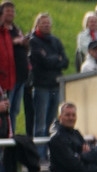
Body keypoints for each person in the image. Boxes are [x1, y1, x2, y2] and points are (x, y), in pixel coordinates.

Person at [28, 12, 68, 160]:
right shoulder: (34, 41)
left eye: (48, 23)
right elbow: (41, 61)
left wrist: (52, 59)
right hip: (41, 86)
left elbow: (65, 61)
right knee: (40, 125)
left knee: (53, 124)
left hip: (55, 85)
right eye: (43, 23)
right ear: (37, 24)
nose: (46, 25)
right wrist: (55, 59)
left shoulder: (56, 41)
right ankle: (39, 156)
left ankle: (50, 155)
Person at [0, 2, 28, 134]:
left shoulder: (16, 29)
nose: (10, 13)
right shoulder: (3, 32)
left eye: (12, 11)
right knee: (5, 112)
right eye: (7, 11)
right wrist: (16, 41)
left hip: (18, 77)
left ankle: (10, 138)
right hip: (5, 79)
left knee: (14, 111)